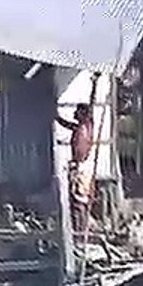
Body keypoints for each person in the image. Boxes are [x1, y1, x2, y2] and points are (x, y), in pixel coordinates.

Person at [55, 71, 101, 231]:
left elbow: (92, 103)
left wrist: (95, 84)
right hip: (80, 165)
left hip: (81, 166)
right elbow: (62, 122)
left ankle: (80, 229)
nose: (74, 113)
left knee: (79, 200)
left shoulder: (85, 125)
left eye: (77, 111)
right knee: (78, 200)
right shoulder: (82, 125)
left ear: (83, 113)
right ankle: (79, 228)